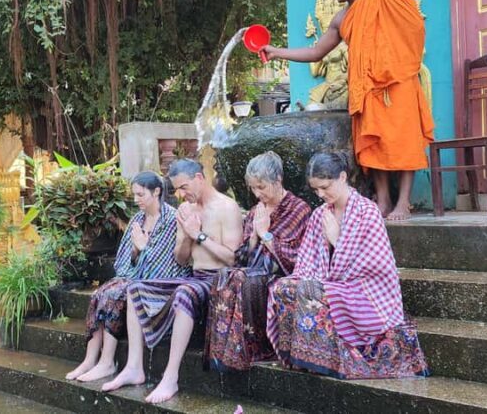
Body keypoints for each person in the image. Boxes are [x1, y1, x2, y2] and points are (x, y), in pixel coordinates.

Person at [263, 0, 435, 221]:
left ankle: (404, 202)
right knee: (373, 143)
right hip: (368, 89)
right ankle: (384, 199)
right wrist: (277, 52)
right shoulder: (342, 18)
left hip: (398, 81)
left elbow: (415, 28)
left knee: (404, 141)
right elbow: (316, 52)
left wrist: (396, 63)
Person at [266, 152, 429, 379]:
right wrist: (307, 278)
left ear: (342, 177)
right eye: (315, 190)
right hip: (331, 285)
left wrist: (336, 239)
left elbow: (377, 266)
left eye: (325, 187)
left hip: (365, 291)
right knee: (283, 287)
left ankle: (325, 358)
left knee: (311, 290)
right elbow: (306, 261)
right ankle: (306, 357)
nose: (320, 194)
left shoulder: (367, 212)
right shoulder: (319, 215)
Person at [101, 159, 243, 404]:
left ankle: (171, 376)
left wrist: (198, 234)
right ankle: (135, 366)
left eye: (185, 187)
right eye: (177, 189)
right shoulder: (186, 210)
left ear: (200, 178)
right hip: (191, 275)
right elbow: (181, 257)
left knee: (185, 292)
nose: (181, 194)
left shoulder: (227, 207)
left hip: (218, 278)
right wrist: (187, 234)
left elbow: (231, 258)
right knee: (135, 287)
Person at [65, 171, 190, 382]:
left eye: (140, 195)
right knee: (101, 292)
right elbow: (125, 261)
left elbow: (167, 266)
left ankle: (107, 363)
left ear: (156, 191)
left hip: (159, 280)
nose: (136, 200)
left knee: (115, 294)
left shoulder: (170, 219)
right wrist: (135, 250)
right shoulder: (137, 219)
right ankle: (89, 359)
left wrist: (144, 247)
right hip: (134, 274)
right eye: (134, 195)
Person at [204, 151, 311, 372]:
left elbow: (297, 257)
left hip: (281, 275)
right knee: (225, 275)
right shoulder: (255, 212)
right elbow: (240, 258)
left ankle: (255, 348)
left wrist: (266, 235)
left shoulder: (299, 209)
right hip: (252, 270)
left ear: (278, 180)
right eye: (253, 188)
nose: (257, 193)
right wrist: (253, 237)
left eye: (261, 187)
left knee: (244, 279)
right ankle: (225, 352)